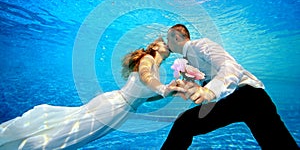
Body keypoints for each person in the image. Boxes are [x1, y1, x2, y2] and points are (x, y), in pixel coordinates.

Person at [0, 37, 184, 150]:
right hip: (114, 106)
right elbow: (144, 77)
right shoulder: (148, 59)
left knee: (69, 135)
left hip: (120, 112)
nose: (167, 44)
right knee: (64, 136)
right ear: (155, 46)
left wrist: (168, 93)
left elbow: (144, 96)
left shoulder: (158, 69)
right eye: (164, 42)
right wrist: (163, 88)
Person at [161, 24, 298, 149]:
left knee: (184, 123)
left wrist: (209, 91)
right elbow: (205, 86)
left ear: (177, 37)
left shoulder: (200, 45)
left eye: (168, 39)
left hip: (248, 96)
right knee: (185, 123)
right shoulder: (187, 60)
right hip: (234, 101)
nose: (167, 44)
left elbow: (230, 67)